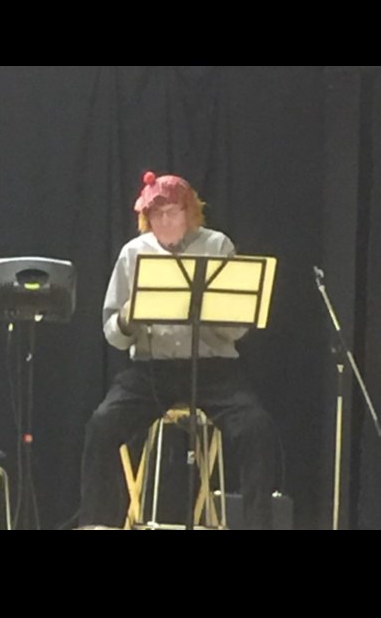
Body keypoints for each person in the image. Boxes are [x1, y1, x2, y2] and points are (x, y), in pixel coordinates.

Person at [79, 171, 278, 529]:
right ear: (146, 218)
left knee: (257, 429)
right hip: (150, 369)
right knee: (101, 425)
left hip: (214, 368)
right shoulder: (133, 253)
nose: (165, 220)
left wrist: (207, 311)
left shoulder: (217, 246)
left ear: (190, 213)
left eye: (172, 212)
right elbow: (112, 333)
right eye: (156, 214)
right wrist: (128, 317)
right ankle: (97, 523)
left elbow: (238, 329)